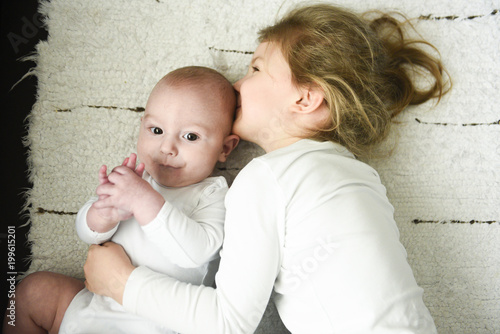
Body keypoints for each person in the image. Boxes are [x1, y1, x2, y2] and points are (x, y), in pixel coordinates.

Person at [3, 66, 239, 334]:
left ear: (225, 148)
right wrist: (103, 215)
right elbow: (88, 234)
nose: (166, 148)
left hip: (150, 324)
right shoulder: (134, 179)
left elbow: (196, 253)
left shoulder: (213, 194)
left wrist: (143, 201)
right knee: (32, 292)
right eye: (156, 130)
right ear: (142, 127)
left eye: (190, 137)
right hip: (92, 305)